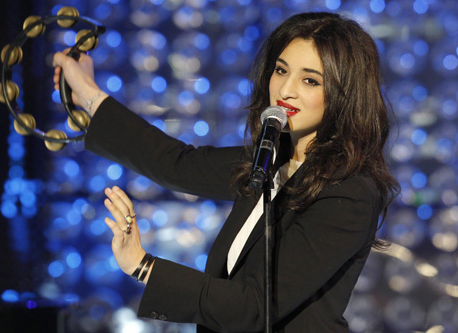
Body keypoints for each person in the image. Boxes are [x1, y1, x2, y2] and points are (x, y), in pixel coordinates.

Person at [53, 11, 399, 332]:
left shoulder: (349, 192)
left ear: (344, 93)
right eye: (281, 70)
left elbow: (255, 306)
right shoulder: (271, 159)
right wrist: (88, 93)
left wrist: (144, 266)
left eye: (310, 81)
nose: (286, 90)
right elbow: (178, 164)